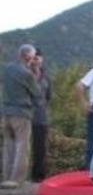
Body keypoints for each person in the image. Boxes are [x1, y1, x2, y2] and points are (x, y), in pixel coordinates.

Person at [2, 44, 39, 188]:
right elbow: (36, 93)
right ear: (29, 57)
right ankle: (16, 180)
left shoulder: (7, 69)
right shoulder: (27, 74)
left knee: (8, 146)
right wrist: (35, 73)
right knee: (22, 147)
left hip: (5, 112)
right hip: (22, 113)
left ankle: (6, 177)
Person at [30, 48, 51, 182]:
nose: (36, 60)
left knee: (40, 148)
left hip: (40, 115)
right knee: (21, 147)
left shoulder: (46, 77)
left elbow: (48, 96)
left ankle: (38, 176)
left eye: (38, 57)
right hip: (25, 114)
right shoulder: (24, 74)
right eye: (33, 57)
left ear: (42, 59)